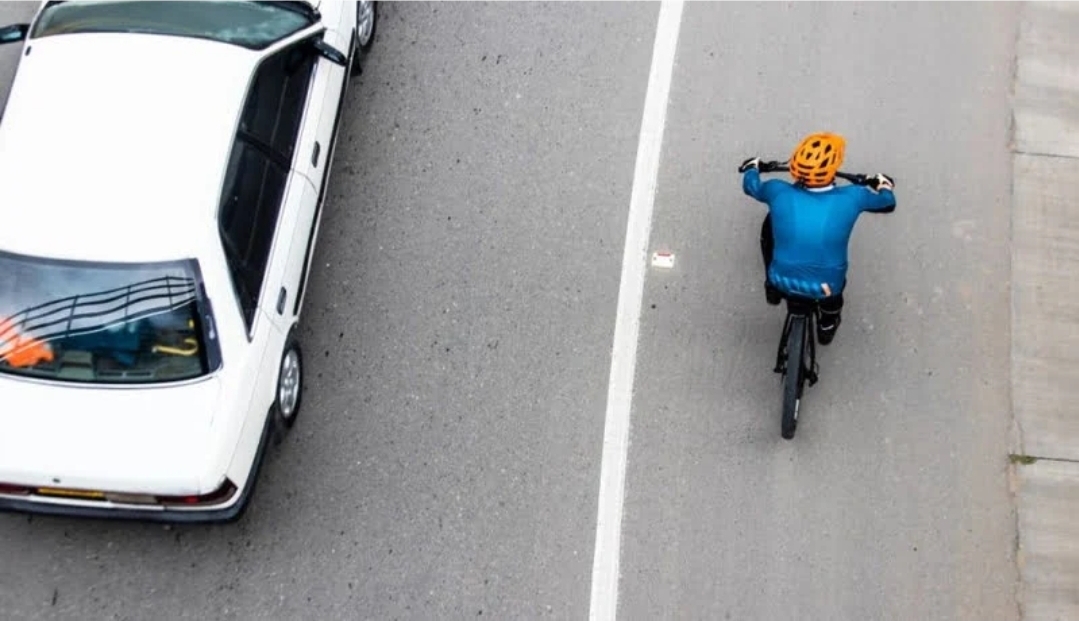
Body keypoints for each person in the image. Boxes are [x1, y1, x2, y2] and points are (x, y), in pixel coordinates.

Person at [738, 132, 896, 345]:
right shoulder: (854, 196)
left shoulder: (777, 190)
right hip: (827, 285)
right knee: (833, 296)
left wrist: (752, 167)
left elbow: (751, 186)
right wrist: (883, 185)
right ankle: (827, 323)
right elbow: (887, 203)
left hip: (780, 277)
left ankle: (772, 290)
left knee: (769, 227)